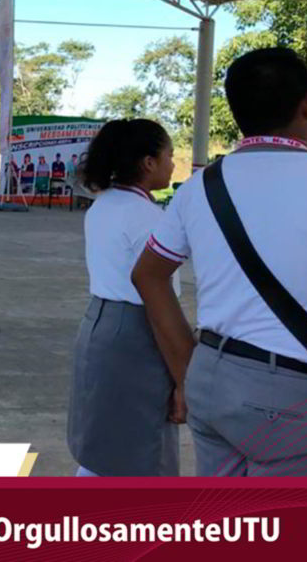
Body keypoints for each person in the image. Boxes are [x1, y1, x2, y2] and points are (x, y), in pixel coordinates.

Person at [134, 47, 307, 477]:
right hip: (296, 396)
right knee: (293, 524)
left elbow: (148, 275)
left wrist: (186, 370)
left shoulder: (200, 186)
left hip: (212, 378)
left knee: (229, 518)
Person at [68, 119, 180, 477]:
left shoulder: (103, 205)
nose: (172, 164)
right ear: (148, 163)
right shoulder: (148, 217)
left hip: (99, 324)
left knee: (104, 440)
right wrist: (183, 378)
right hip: (138, 332)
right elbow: (161, 304)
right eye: (169, 156)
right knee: (141, 446)